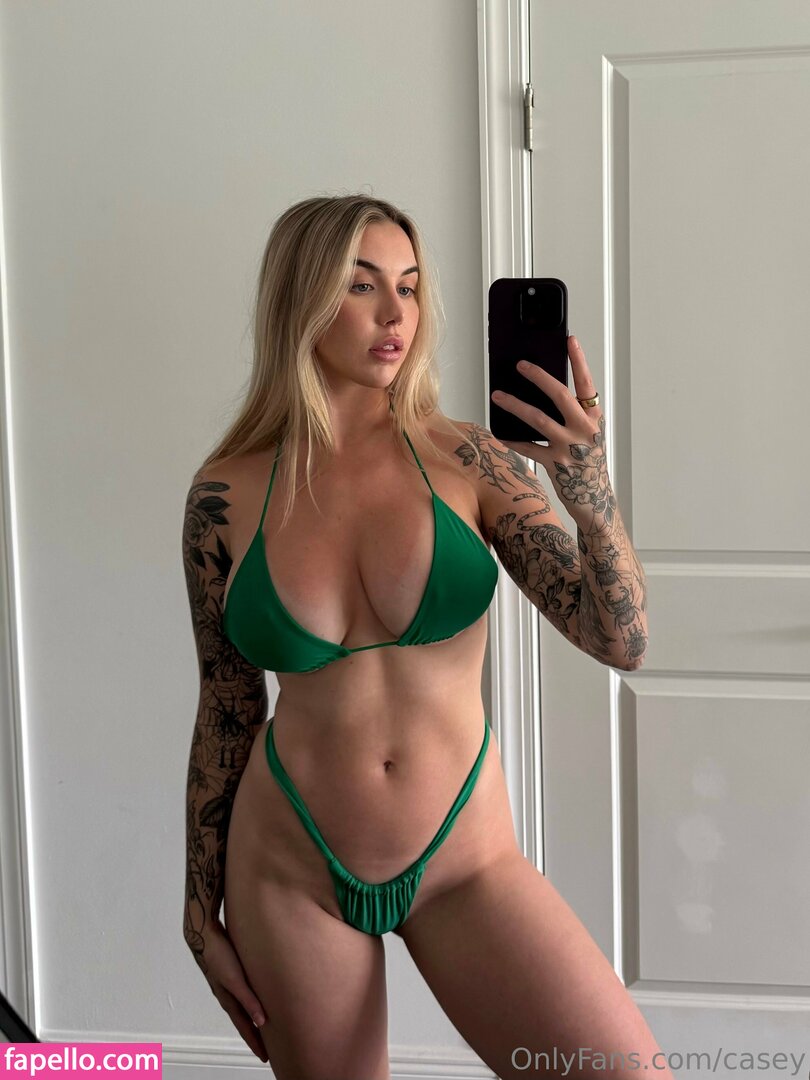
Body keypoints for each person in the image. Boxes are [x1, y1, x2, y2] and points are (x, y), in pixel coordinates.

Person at [181, 194, 666, 1080]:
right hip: (288, 869)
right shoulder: (227, 493)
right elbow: (225, 702)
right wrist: (196, 904)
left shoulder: (469, 459)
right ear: (301, 298)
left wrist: (591, 496)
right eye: (361, 285)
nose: (395, 313)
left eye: (408, 286)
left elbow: (619, 641)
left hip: (463, 861)